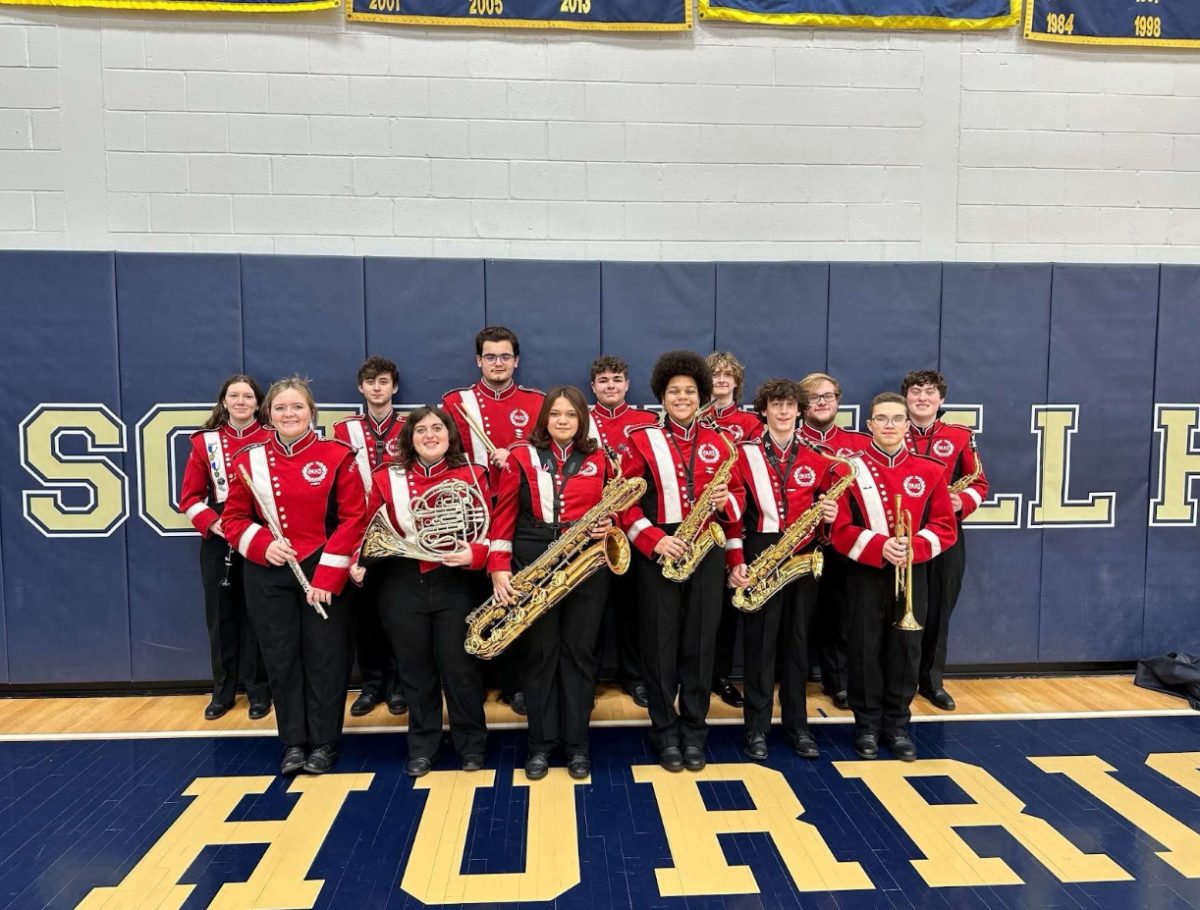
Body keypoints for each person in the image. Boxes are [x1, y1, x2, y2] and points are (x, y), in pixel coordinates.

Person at [222, 377, 368, 776]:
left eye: (297, 407)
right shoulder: (248, 460)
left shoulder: (337, 455)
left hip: (323, 569)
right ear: (269, 414)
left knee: (327, 658)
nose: (289, 414)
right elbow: (233, 518)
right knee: (282, 658)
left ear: (311, 412)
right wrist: (262, 543)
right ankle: (293, 742)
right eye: (281, 408)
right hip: (269, 572)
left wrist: (328, 576)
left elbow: (355, 518)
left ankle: (324, 743)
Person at [617, 351, 745, 773]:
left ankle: (695, 730)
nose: (683, 397)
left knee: (701, 646)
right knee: (659, 647)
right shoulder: (641, 439)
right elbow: (624, 507)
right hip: (661, 553)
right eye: (675, 391)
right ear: (662, 396)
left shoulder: (722, 442)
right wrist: (655, 541)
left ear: (702, 395)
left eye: (690, 391)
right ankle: (665, 732)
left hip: (706, 552)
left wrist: (729, 504)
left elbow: (739, 499)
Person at [490, 386, 617, 781]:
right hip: (533, 556)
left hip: (585, 562)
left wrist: (610, 524)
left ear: (582, 420)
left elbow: (617, 511)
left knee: (580, 654)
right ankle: (540, 745)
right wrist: (499, 567)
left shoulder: (600, 458)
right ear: (544, 418)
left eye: (571, 415)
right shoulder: (520, 456)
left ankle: (578, 745)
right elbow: (504, 514)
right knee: (540, 654)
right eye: (556, 413)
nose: (563, 420)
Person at [358, 406, 490, 777]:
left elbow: (495, 531)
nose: (429, 435)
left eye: (437, 428)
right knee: (415, 670)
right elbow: (366, 527)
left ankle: (472, 745)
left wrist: (474, 553)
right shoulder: (388, 477)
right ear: (410, 437)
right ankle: (423, 745)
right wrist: (359, 562)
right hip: (402, 583)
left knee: (460, 669)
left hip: (457, 582)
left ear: (450, 434)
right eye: (421, 430)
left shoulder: (474, 475)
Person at [826, 392, 957, 762]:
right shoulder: (847, 469)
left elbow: (945, 527)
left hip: (912, 573)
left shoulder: (931, 470)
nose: (889, 425)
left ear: (905, 425)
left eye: (896, 419)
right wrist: (879, 546)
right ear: (869, 425)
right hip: (865, 573)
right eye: (881, 419)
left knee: (906, 650)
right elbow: (840, 530)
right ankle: (866, 726)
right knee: (864, 648)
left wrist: (914, 546)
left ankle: (898, 726)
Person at [727, 380, 839, 761]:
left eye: (791, 405)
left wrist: (829, 518)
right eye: (776, 404)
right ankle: (756, 730)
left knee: (796, 647)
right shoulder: (742, 455)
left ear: (800, 410)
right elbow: (734, 520)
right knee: (759, 647)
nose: (784, 411)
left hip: (803, 556)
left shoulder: (819, 457)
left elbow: (827, 522)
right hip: (761, 549)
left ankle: (797, 726)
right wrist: (736, 561)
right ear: (764, 410)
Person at [442, 325, 544, 716]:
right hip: (469, 514)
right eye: (490, 356)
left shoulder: (536, 402)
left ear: (516, 361)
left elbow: (547, 450)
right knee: (467, 599)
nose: (497, 363)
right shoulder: (456, 402)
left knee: (512, 596)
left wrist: (516, 453)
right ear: (478, 360)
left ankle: (514, 682)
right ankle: (474, 679)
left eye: (505, 356)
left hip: (519, 515)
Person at [179, 374, 273, 722]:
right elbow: (189, 498)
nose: (240, 401)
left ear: (257, 403)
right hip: (219, 538)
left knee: (258, 616)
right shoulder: (206, 443)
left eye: (247, 396)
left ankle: (260, 690)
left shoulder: (270, 438)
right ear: (223, 401)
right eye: (233, 395)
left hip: (260, 533)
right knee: (221, 616)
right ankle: (224, 690)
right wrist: (216, 525)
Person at [902, 369, 989, 712]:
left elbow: (979, 483)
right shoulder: (890, 430)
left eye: (929, 392)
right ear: (905, 397)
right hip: (902, 536)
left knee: (939, 610)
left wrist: (961, 501)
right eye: (915, 391)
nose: (922, 398)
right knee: (903, 610)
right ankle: (901, 681)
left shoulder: (959, 435)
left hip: (946, 534)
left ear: (941, 400)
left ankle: (931, 681)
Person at [334, 355, 406, 719]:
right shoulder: (343, 430)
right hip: (357, 536)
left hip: (398, 536)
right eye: (370, 382)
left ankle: (398, 687)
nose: (377, 388)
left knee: (396, 614)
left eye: (383, 382)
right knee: (364, 617)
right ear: (361, 388)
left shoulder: (411, 427)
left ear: (394, 387)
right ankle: (371, 685)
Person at [797, 371, 872, 711]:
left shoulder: (859, 444)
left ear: (838, 401)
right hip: (800, 543)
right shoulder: (790, 439)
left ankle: (837, 681)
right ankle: (790, 681)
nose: (822, 402)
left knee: (841, 617)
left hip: (843, 544)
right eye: (814, 397)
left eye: (828, 396)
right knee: (795, 619)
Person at [587, 355, 657, 709]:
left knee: (634, 611)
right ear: (593, 386)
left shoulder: (647, 423)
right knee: (590, 611)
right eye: (603, 380)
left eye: (617, 379)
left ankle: (634, 677)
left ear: (627, 384)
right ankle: (590, 678)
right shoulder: (579, 421)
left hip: (633, 529)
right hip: (591, 531)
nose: (610, 385)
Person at [705, 352, 765, 711]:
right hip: (701, 521)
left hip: (740, 517)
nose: (721, 380)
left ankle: (721, 675)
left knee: (728, 609)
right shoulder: (693, 415)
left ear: (736, 381)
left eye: (728, 375)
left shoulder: (751, 422)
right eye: (714, 374)